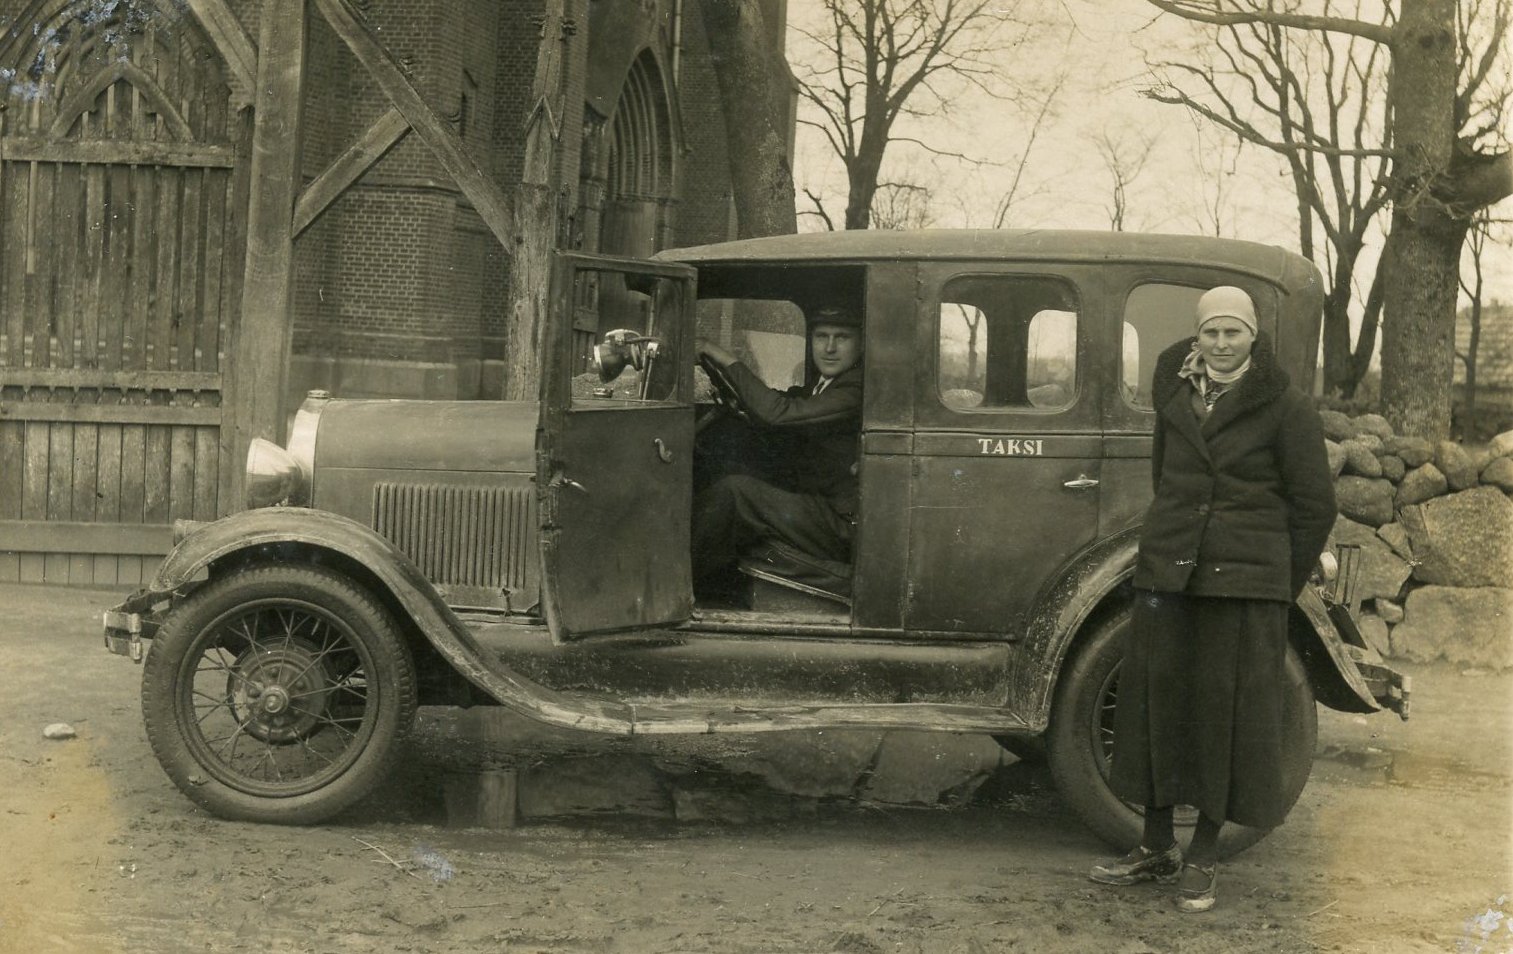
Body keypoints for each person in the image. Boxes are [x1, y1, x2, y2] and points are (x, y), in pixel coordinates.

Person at [1089, 285, 1337, 912]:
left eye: (1233, 332)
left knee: (1223, 721)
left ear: (1253, 336)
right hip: (1170, 574)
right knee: (1155, 705)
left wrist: (1276, 581)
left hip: (1245, 586)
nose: (1221, 344)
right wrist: (1170, 540)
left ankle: (1202, 853)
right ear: (1197, 337)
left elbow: (1315, 506)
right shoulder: (1175, 389)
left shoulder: (1285, 405)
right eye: (1211, 333)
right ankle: (1154, 846)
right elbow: (1164, 475)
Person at [690, 306, 864, 604]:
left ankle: (673, 589)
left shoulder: (856, 387)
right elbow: (779, 402)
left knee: (735, 494)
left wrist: (720, 355)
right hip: (820, 505)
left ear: (860, 344)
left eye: (842, 337)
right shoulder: (821, 385)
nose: (830, 347)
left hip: (842, 523)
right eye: (822, 336)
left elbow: (778, 413)